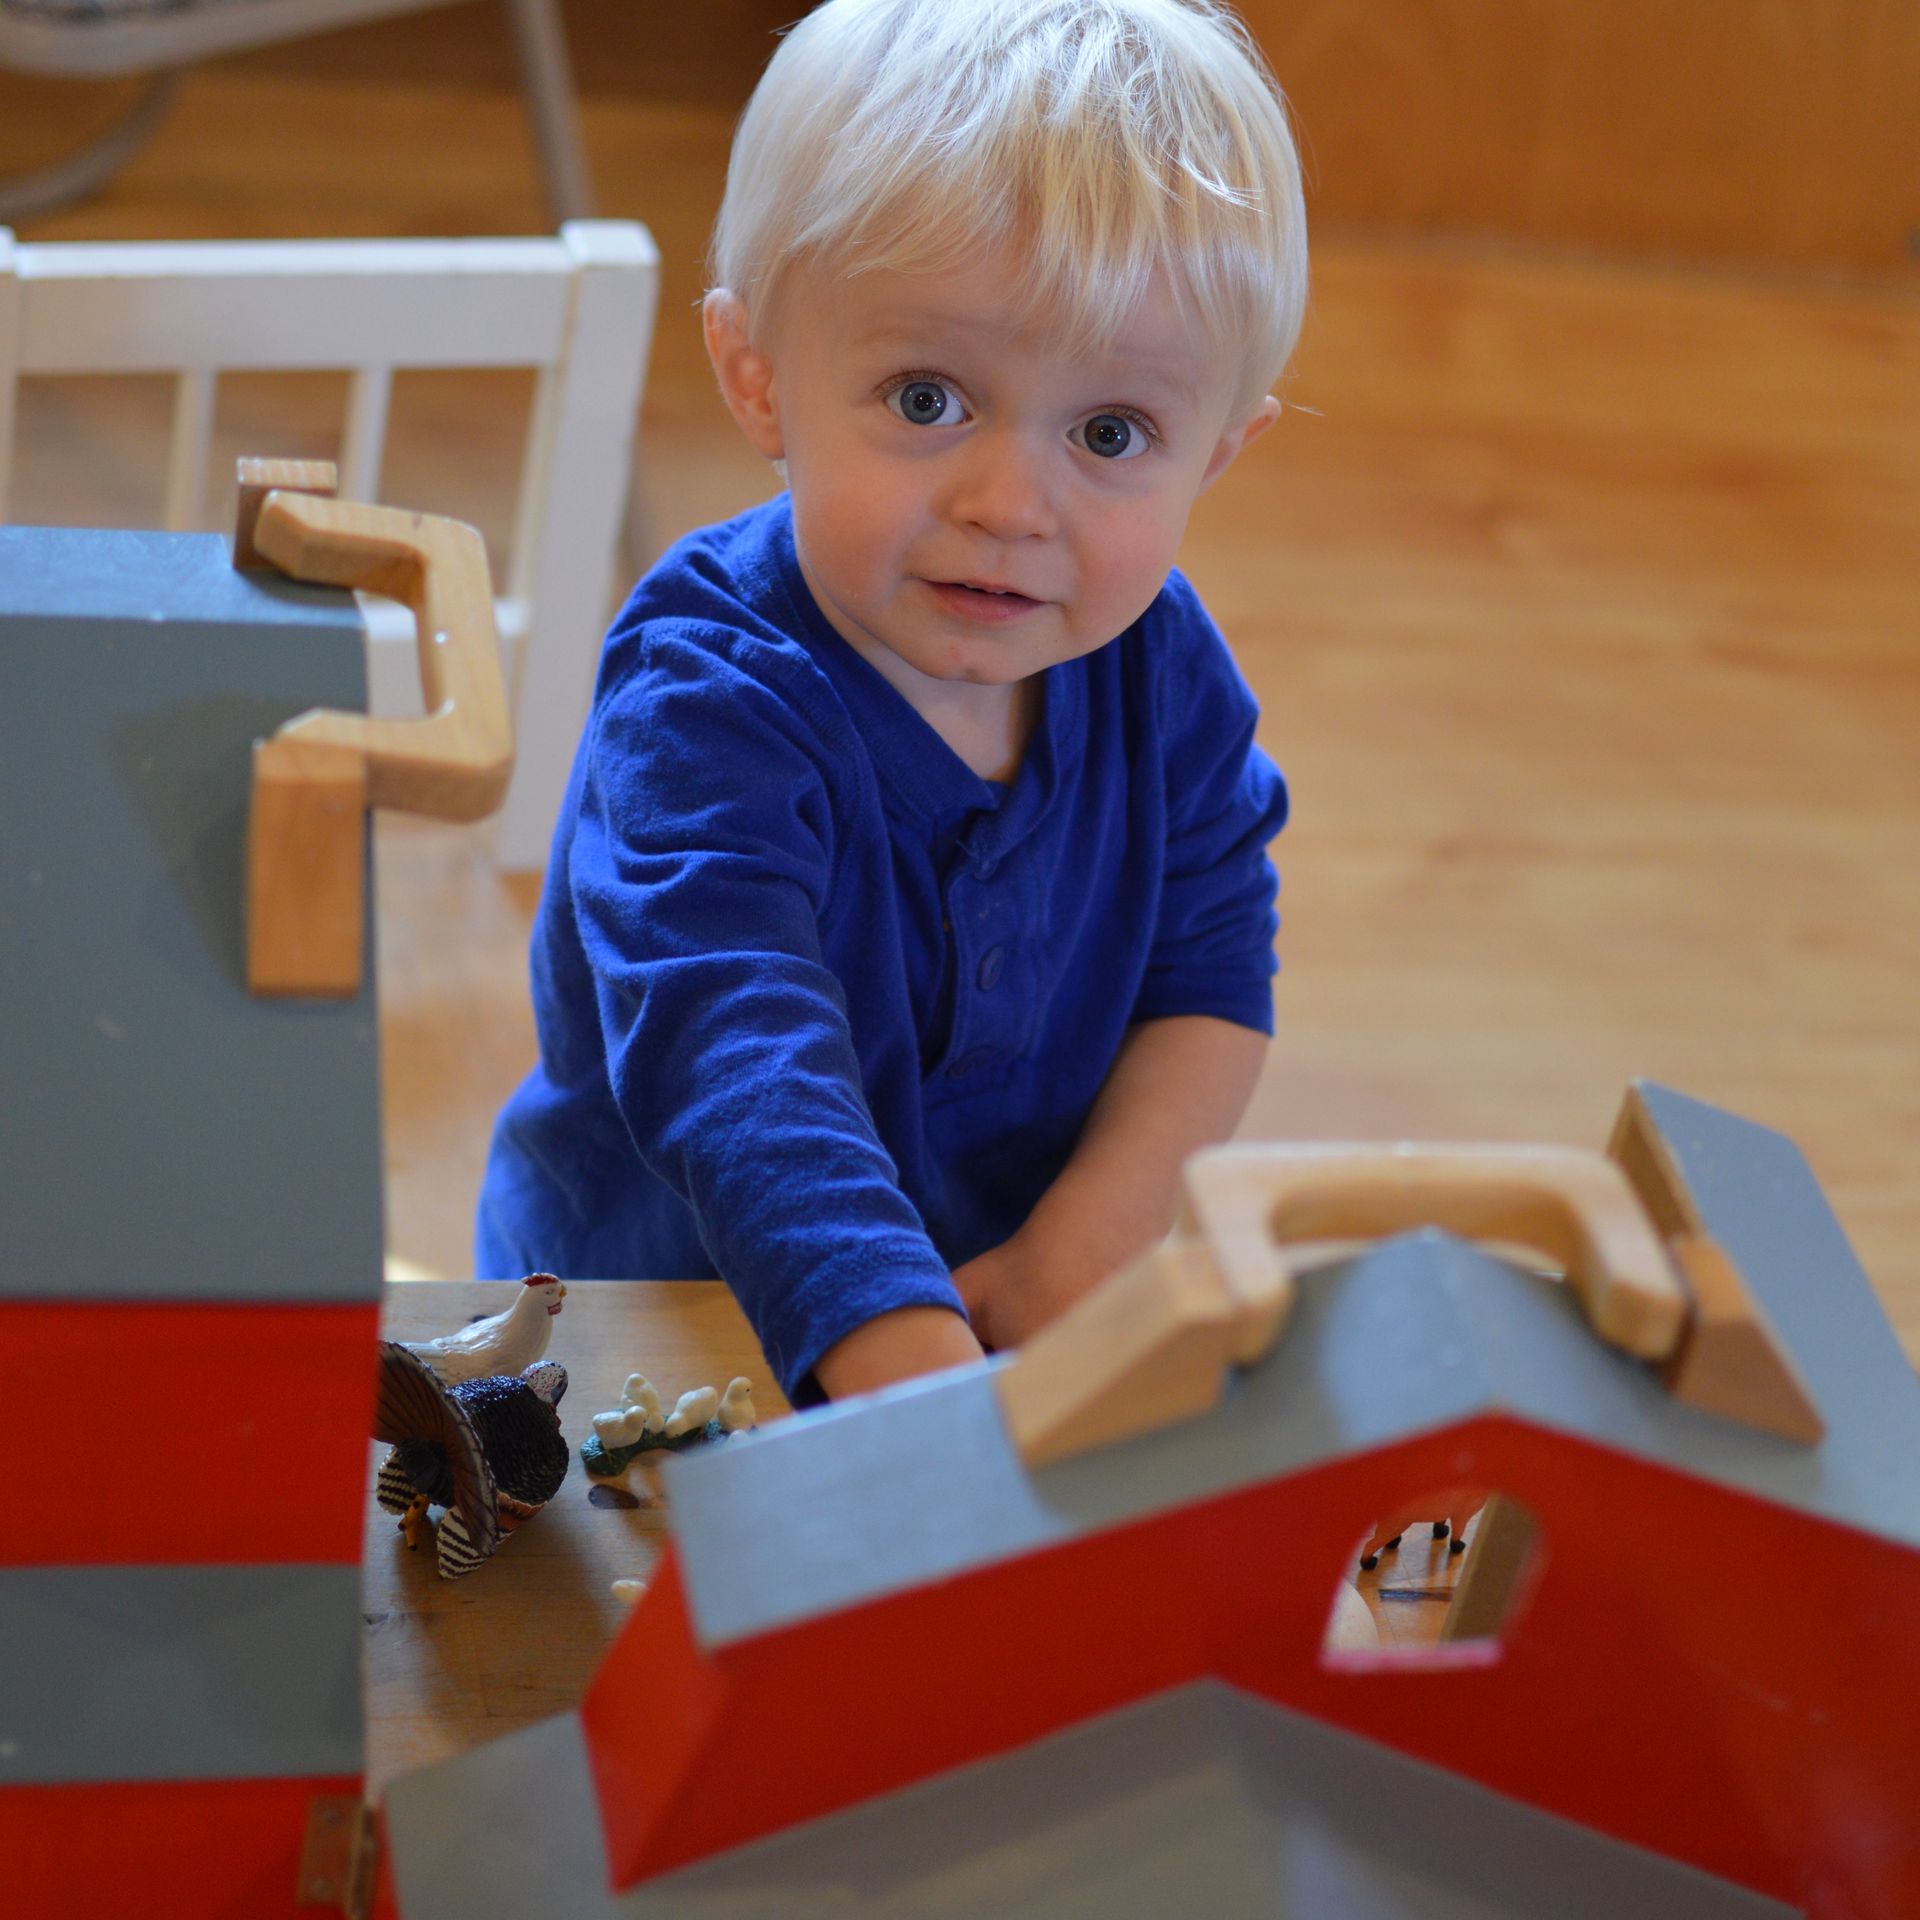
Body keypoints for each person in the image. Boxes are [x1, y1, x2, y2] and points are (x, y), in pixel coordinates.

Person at [476, 0, 1307, 1407]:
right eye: (928, 399)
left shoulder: (1160, 666)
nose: (1008, 507)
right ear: (757, 376)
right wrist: (908, 1374)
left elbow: (1212, 973)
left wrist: (1085, 1245)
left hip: (995, 1319)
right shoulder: (708, 698)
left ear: (1220, 452)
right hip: (656, 1332)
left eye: (1111, 434)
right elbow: (741, 1060)